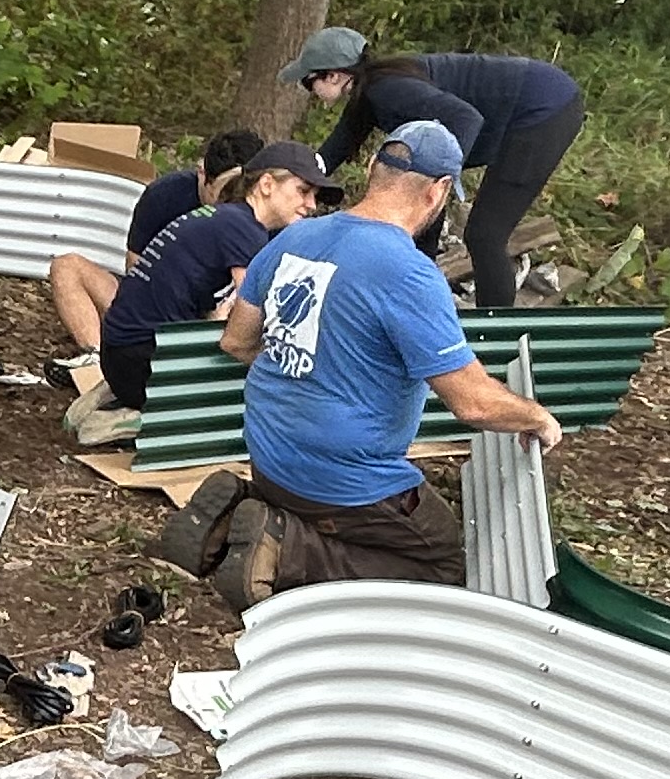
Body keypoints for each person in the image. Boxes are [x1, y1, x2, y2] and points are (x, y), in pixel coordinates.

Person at [166, 122, 561, 609]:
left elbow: (236, 340)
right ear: (438, 192)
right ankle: (290, 553)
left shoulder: (294, 238)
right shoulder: (408, 273)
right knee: (440, 563)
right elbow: (474, 404)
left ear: (373, 169)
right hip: (343, 484)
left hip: (269, 456)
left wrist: (303, 370)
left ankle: (248, 516)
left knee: (348, 515)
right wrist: (537, 416)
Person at [279, 29, 587, 312]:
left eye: (309, 82)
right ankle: (418, 312)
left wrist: (441, 180)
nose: (309, 91)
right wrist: (283, 186)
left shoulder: (387, 89)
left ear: (333, 76)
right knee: (423, 222)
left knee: (484, 234)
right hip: (534, 102)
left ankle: (496, 337)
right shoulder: (370, 93)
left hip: (544, 108)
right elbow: (328, 157)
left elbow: (465, 119)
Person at [66, 143, 324, 446]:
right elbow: (257, 317)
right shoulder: (245, 230)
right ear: (267, 184)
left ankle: (115, 394)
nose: (311, 205)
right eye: (303, 191)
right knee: (261, 384)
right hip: (143, 359)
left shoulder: (224, 217)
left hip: (121, 350)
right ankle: (138, 420)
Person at [50, 129, 262, 370]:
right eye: (225, 192)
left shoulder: (262, 219)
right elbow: (136, 268)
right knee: (67, 266)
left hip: (220, 317)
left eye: (241, 194)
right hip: (153, 306)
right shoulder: (165, 195)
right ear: (202, 173)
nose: (232, 203)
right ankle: (96, 358)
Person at [124, 129, 265, 261]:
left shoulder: (268, 213)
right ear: (202, 172)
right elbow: (135, 258)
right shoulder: (163, 195)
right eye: (225, 195)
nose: (234, 207)